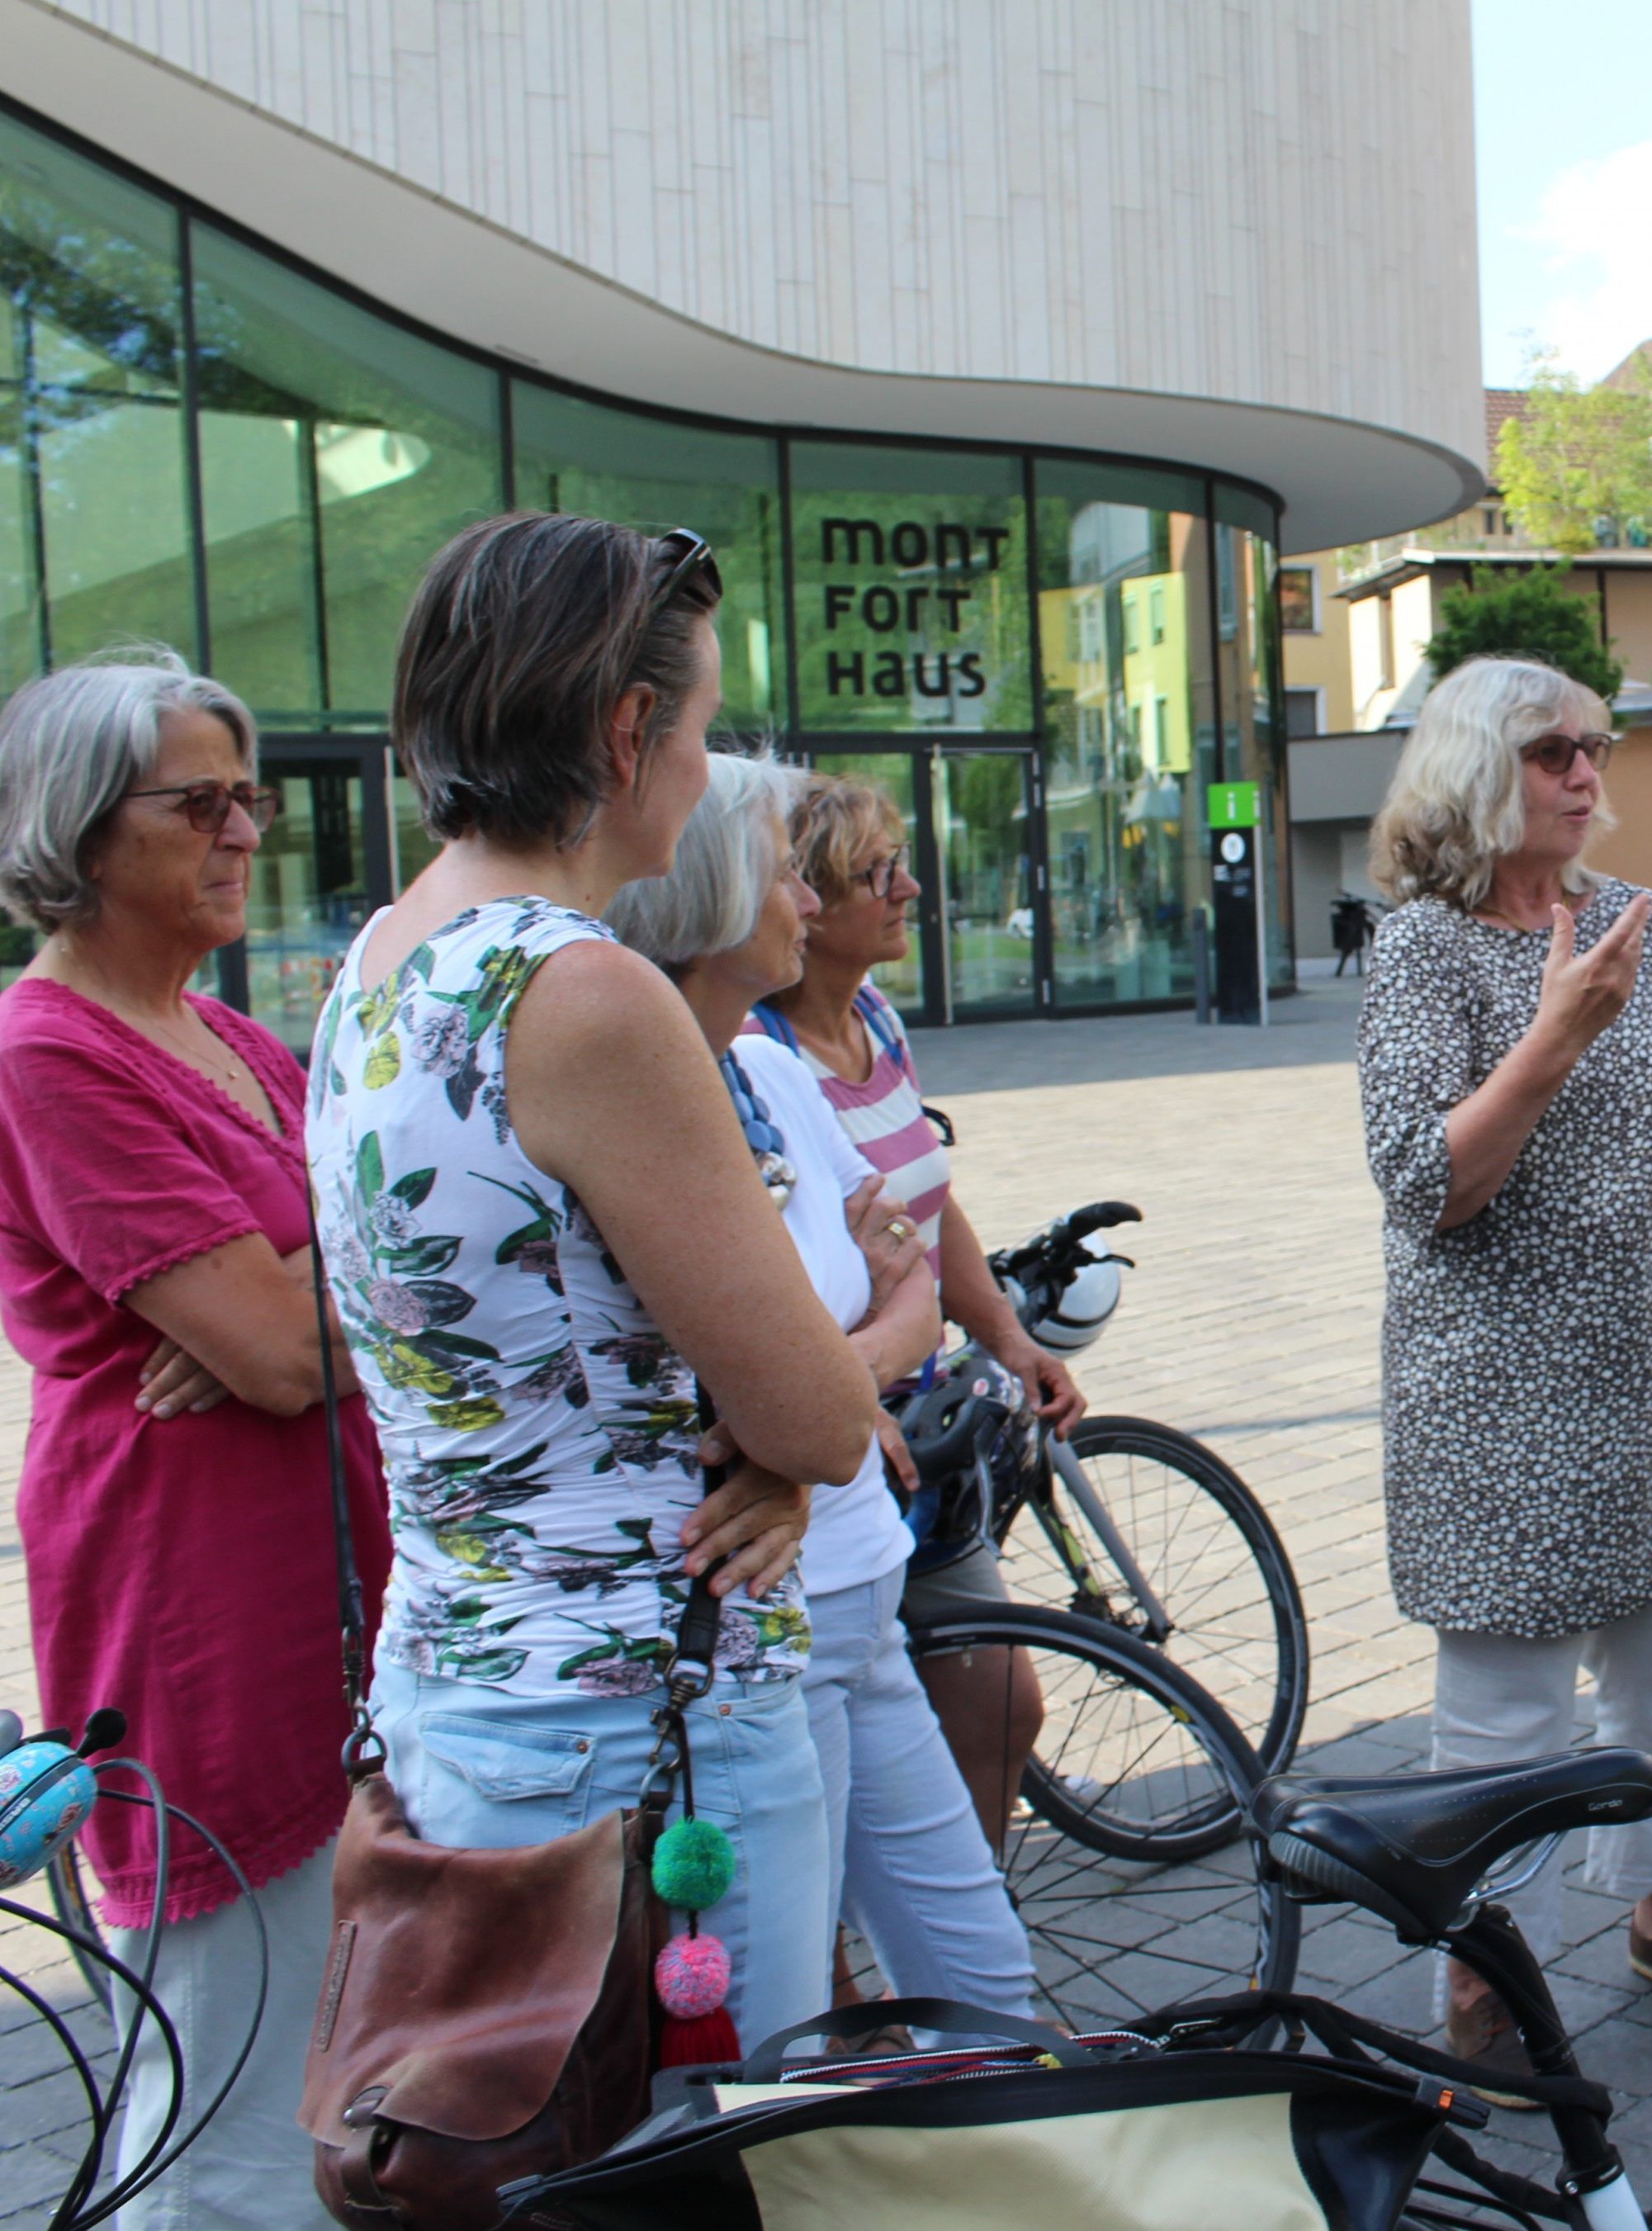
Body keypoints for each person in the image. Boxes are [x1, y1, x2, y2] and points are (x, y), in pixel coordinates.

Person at [308, 514, 880, 2050]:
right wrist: (786, 1443)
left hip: (460, 1685)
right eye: (698, 728)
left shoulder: (376, 960)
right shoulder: (580, 990)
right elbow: (822, 1415)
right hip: (639, 1722)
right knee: (700, 2167)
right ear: (627, 734)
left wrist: (772, 1436)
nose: (707, 773)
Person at [1356, 656, 1652, 2081]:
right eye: (1554, 748)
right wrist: (1557, 1035)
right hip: (1497, 1403)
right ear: (1474, 767)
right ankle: (1477, 1986)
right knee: (1500, 1726)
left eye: (1596, 746)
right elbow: (1424, 1182)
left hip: (1646, 1380)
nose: (1585, 771)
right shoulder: (1424, 950)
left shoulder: (1650, 925)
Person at [0, 648, 387, 2229]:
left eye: (253, 798)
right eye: (199, 803)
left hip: (315, 1579)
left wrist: (298, 1307)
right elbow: (290, 1345)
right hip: (193, 1596)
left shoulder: (230, 1038)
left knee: (334, 2044)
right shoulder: (49, 1050)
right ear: (84, 832)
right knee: (226, 2103)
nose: (245, 833)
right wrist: (291, 1319)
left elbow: (325, 1293)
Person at [610, 752, 1037, 2019]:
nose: (805, 895)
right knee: (785, 2013)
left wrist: (820, 1393)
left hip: (857, 1575)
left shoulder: (777, 1075)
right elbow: (828, 1337)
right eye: (785, 866)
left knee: (985, 1977)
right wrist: (830, 1393)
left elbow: (902, 1267)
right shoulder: (663, 1084)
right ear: (706, 886)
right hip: (765, 1626)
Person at [755, 773, 1083, 1840]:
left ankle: (961, 1960)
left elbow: (933, 1206)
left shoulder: (877, 1018)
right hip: (837, 1444)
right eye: (876, 871)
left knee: (999, 1703)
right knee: (822, 1752)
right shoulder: (756, 1056)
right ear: (805, 894)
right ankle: (851, 1985)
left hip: (928, 1429)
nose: (909, 887)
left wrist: (1007, 1335)